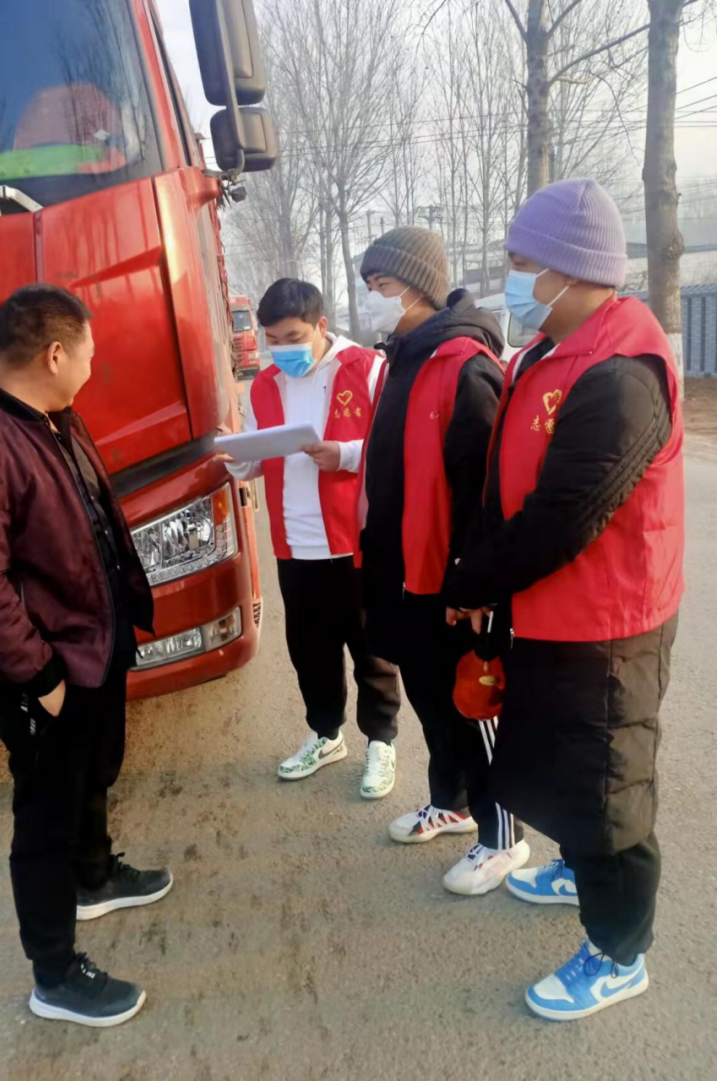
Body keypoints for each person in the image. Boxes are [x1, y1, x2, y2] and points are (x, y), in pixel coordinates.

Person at [444, 178, 684, 1020]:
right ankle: (577, 866)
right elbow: (506, 483)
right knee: (556, 762)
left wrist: (472, 579)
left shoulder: (621, 373)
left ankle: (619, 952)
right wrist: (485, 579)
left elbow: (563, 518)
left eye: (520, 261)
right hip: (549, 612)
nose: (511, 277)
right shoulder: (547, 351)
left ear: (570, 268)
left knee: (608, 789)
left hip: (607, 626)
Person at [0, 285, 172, 1028]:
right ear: (56, 354)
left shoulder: (53, 418)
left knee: (94, 772)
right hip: (47, 667)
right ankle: (55, 975)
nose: (93, 366)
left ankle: (94, 877)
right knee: (46, 815)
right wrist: (41, 677)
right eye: (89, 353)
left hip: (92, 643)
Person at [358, 226, 529, 896]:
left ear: (419, 287)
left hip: (450, 582)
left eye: (381, 285)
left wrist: (475, 582)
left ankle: (503, 835)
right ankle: (451, 802)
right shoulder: (400, 359)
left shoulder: (464, 364)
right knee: (431, 700)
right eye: (368, 286)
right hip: (403, 574)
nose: (372, 299)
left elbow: (488, 491)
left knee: (471, 707)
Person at [226, 278, 401, 798]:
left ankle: (381, 742)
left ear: (321, 325)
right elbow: (257, 457)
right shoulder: (264, 385)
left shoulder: (366, 369)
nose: (283, 350)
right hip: (294, 543)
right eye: (273, 340)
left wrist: (344, 454)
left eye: (294, 337)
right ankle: (326, 735)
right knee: (311, 650)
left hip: (354, 540)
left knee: (371, 649)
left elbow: (394, 445)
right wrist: (236, 458)